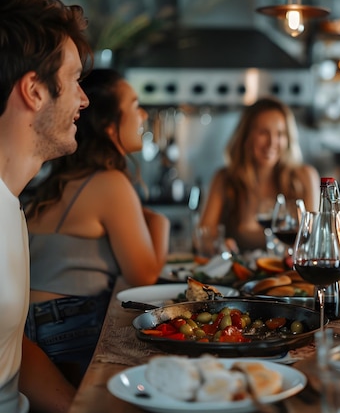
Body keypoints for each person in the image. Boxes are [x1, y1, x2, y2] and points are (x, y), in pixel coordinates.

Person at [23, 69, 171, 387]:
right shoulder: (110, 183)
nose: (143, 113)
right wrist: (161, 224)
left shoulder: (66, 180)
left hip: (33, 327)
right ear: (108, 124)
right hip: (70, 325)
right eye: (134, 105)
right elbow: (143, 277)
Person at [0, 0, 91, 412]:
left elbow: (11, 348)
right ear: (34, 90)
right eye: (74, 79)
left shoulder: (10, 207)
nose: (84, 99)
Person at [199, 97, 320, 253]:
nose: (272, 142)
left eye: (280, 134)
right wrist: (219, 246)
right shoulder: (224, 179)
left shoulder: (305, 177)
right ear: (246, 136)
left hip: (290, 275)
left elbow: (313, 241)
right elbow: (203, 237)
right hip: (241, 276)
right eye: (263, 132)